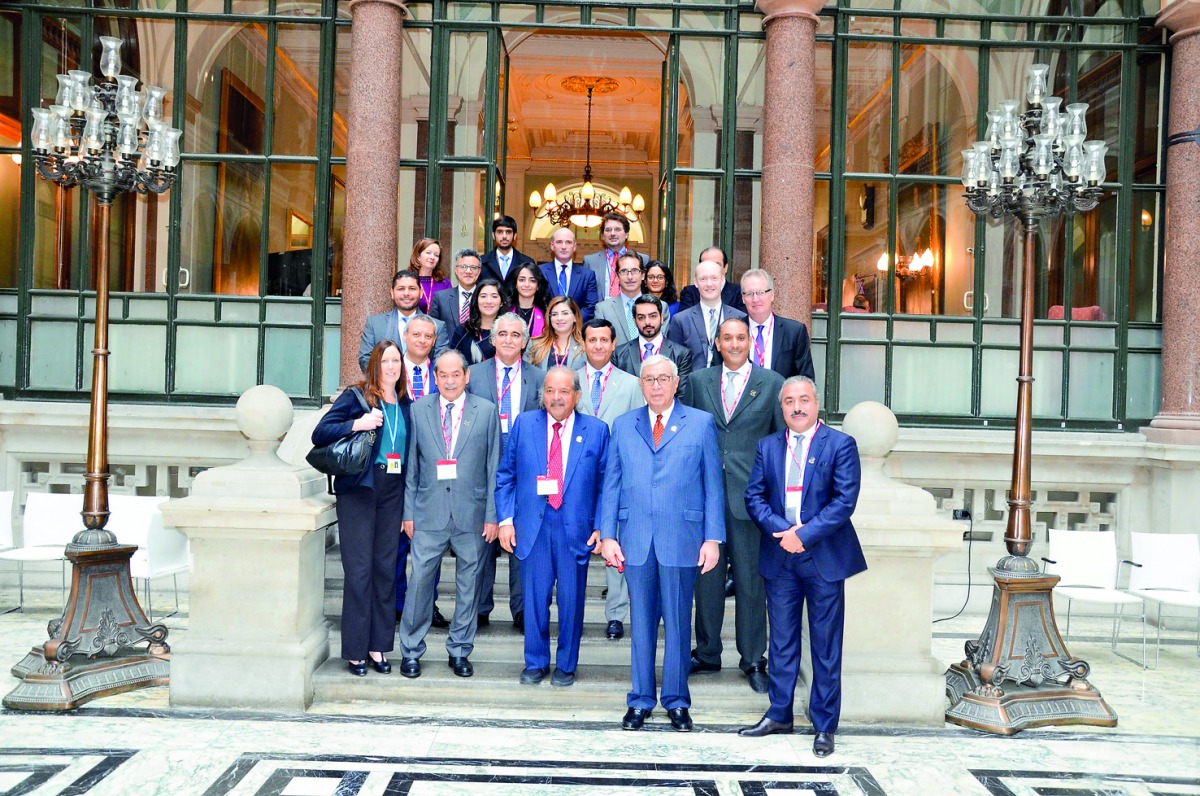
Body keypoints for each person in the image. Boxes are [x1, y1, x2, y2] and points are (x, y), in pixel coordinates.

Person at [740, 376, 866, 758]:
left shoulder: (841, 445)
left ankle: (824, 724)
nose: (797, 407)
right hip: (780, 556)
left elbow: (844, 502)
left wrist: (804, 535)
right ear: (782, 408)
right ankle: (780, 713)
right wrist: (784, 531)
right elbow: (754, 496)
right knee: (781, 641)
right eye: (790, 401)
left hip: (822, 557)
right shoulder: (767, 446)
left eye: (804, 400)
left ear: (816, 403)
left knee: (825, 646)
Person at [599, 355, 725, 732]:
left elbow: (712, 487)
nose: (656, 385)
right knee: (640, 624)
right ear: (641, 384)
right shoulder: (623, 425)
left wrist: (713, 538)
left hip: (682, 539)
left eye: (663, 379)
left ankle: (676, 700)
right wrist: (607, 535)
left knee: (678, 622)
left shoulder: (700, 423)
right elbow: (611, 484)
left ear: (675, 383)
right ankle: (639, 699)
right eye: (649, 379)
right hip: (635, 539)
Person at [682, 318, 785, 693]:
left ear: (750, 342)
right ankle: (707, 652)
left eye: (741, 337)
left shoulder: (772, 383)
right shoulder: (698, 382)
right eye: (728, 338)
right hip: (705, 496)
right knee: (706, 580)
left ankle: (754, 658)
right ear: (718, 343)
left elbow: (778, 445)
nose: (735, 344)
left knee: (750, 581)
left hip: (751, 500)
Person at [495, 367, 610, 687]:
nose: (556, 397)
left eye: (563, 391)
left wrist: (602, 526)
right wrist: (505, 520)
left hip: (575, 528)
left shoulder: (597, 430)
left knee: (572, 602)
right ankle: (535, 661)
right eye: (550, 391)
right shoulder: (524, 424)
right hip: (533, 527)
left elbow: (605, 485)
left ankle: (567, 665)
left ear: (576, 395)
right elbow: (506, 475)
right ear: (542, 395)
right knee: (534, 599)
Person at [398, 350, 501, 680]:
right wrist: (408, 512)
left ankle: (460, 649)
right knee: (419, 584)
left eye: (456, 374)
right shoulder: (418, 410)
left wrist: (492, 516)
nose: (450, 380)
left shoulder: (485, 412)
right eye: (443, 374)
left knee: (469, 586)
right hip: (428, 513)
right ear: (435, 376)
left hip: (472, 513)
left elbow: (493, 467)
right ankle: (411, 650)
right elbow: (411, 466)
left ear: (466, 376)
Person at [312, 340, 411, 678]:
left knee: (386, 571)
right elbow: (320, 432)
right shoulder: (356, 397)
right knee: (359, 572)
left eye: (397, 360)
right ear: (375, 365)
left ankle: (378, 647)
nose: (392, 367)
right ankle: (355, 651)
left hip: (393, 492)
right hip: (359, 491)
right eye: (386, 361)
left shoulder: (405, 403)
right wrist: (358, 424)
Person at [467, 313, 546, 632]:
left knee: (522, 539)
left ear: (525, 341)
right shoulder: (472, 374)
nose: (510, 339)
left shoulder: (540, 377)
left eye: (516, 334)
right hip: (482, 465)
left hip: (525, 469)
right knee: (483, 537)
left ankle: (523, 608)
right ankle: (481, 606)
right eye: (503, 334)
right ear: (493, 339)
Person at [575, 318, 646, 641]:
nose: (599, 346)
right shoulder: (569, 380)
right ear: (584, 343)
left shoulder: (632, 384)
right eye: (593, 340)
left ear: (614, 343)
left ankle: (616, 614)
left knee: (613, 541)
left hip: (618, 476)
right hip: (575, 478)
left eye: (605, 340)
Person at [359, 269, 449, 373]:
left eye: (412, 288)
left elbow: (442, 362)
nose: (406, 293)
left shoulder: (437, 326)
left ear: (421, 293)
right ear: (392, 293)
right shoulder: (375, 324)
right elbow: (365, 360)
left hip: (423, 386)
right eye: (401, 289)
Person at [667, 259, 748, 369]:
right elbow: (674, 363)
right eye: (703, 279)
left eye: (714, 278)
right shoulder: (680, 320)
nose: (709, 284)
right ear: (696, 282)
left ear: (722, 280)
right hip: (693, 384)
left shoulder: (740, 317)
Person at [613, 295, 693, 402]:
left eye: (653, 316)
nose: (647, 322)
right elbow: (618, 396)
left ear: (662, 318)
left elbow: (682, 396)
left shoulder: (681, 354)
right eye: (641, 317)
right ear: (634, 321)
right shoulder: (619, 354)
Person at [740, 268, 816, 381]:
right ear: (743, 298)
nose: (755, 299)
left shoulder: (794, 332)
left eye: (761, 292)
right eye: (749, 294)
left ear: (772, 295)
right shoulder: (733, 330)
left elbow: (805, 379)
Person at [584, 212, 649, 298]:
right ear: (603, 236)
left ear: (626, 234)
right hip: (600, 310)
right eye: (608, 230)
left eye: (617, 229)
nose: (612, 233)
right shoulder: (590, 261)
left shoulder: (643, 259)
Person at [540, 227, 599, 321]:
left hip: (577, 329)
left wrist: (572, 321)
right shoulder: (540, 271)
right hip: (547, 327)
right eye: (559, 242)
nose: (563, 246)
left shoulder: (587, 275)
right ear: (552, 245)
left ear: (574, 246)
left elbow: (591, 306)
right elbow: (536, 303)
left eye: (568, 242)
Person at [593, 252, 648, 347]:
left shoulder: (659, 307)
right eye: (624, 271)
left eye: (634, 270)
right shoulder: (603, 309)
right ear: (617, 276)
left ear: (642, 275)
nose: (630, 277)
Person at [449, 278, 506, 365]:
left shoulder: (507, 330)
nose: (488, 301)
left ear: (501, 302)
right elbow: (452, 361)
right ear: (476, 301)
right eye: (483, 296)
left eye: (494, 296)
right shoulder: (463, 330)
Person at [526, 296, 587, 371]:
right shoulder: (535, 345)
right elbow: (526, 376)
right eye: (554, 314)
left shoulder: (585, 346)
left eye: (565, 313)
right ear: (549, 318)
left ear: (575, 317)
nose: (559, 318)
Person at [678, 246, 746, 312]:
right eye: (706, 264)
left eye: (717, 264)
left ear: (725, 268)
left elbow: (741, 321)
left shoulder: (739, 292)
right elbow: (685, 321)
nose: (711, 268)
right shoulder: (689, 292)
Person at [431, 249, 483, 329]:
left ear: (479, 271)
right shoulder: (440, 298)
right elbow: (432, 328)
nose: (468, 271)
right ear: (456, 270)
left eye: (473, 267)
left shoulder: (487, 298)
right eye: (463, 267)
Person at [480, 215, 536, 285]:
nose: (504, 236)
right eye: (500, 232)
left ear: (515, 236)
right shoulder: (482, 262)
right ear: (493, 235)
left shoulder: (527, 262)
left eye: (508, 232)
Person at [504, 262, 550, 339]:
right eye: (522, 280)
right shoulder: (505, 311)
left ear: (538, 285)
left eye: (532, 281)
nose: (526, 285)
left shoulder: (546, 312)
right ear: (515, 284)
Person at [409, 237, 452, 314]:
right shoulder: (408, 280)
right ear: (418, 256)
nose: (432, 257)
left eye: (436, 255)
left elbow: (450, 311)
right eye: (428, 253)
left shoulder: (444, 283)